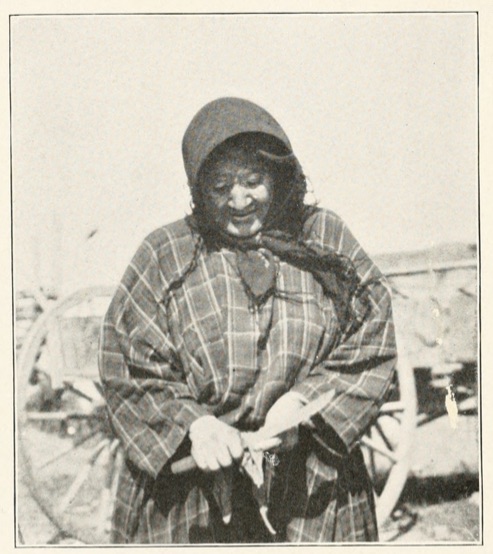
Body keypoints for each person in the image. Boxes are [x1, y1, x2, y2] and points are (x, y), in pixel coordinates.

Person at [98, 97, 397, 543]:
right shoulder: (166, 254)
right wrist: (194, 425)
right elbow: (128, 362)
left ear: (277, 176)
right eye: (220, 187)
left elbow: (371, 334)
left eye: (253, 181)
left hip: (311, 489)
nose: (239, 201)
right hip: (190, 493)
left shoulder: (323, 239)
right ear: (198, 188)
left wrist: (301, 405)